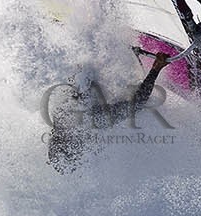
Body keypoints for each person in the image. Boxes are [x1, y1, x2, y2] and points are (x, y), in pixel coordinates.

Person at [46, 48, 176, 172]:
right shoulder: (60, 115)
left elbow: (139, 102)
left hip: (90, 67)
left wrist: (156, 68)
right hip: (91, 63)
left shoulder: (90, 121)